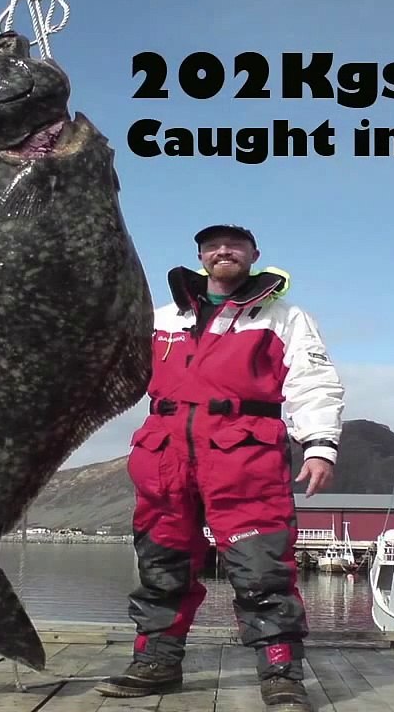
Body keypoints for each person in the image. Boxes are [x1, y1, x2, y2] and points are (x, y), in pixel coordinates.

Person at [94, 224, 345, 711]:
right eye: (212, 246)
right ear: (201, 256)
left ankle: (280, 671)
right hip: (165, 457)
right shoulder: (161, 318)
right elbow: (108, 370)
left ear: (254, 254)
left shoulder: (284, 317)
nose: (222, 252)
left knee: (261, 569)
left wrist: (319, 445)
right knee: (161, 567)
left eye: (233, 245)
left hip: (244, 457)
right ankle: (156, 663)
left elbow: (314, 382)